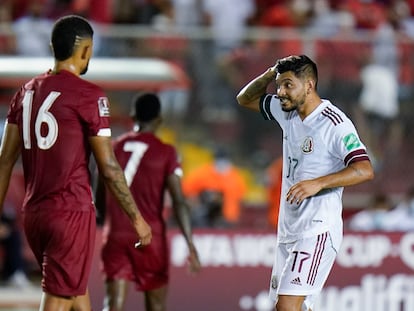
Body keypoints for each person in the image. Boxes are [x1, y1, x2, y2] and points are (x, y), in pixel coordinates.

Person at [0, 15, 152, 311]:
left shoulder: (25, 93)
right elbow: (108, 166)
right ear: (85, 51)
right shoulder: (88, 95)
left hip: (35, 215)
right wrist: (136, 218)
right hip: (69, 212)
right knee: (59, 298)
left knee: (74, 292)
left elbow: (5, 160)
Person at [236, 54, 374, 311]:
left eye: (288, 84)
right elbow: (245, 99)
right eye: (278, 85)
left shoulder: (335, 123)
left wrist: (318, 183)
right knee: (296, 307)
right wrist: (269, 74)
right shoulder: (287, 112)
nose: (280, 92)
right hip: (289, 230)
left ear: (309, 85)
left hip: (317, 228)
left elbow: (364, 169)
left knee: (286, 305)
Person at [95, 93, 201, 311]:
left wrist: (109, 222)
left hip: (116, 233)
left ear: (133, 116)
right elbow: (179, 201)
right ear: (160, 120)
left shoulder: (112, 148)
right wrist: (190, 243)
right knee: (156, 305)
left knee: (112, 304)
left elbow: (100, 193)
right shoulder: (166, 152)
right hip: (151, 237)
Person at [182, 147, 247, 227]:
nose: (221, 164)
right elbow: (187, 188)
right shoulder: (204, 173)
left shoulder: (235, 176)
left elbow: (239, 196)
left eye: (224, 160)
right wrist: (197, 199)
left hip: (229, 217)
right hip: (206, 214)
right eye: (219, 160)